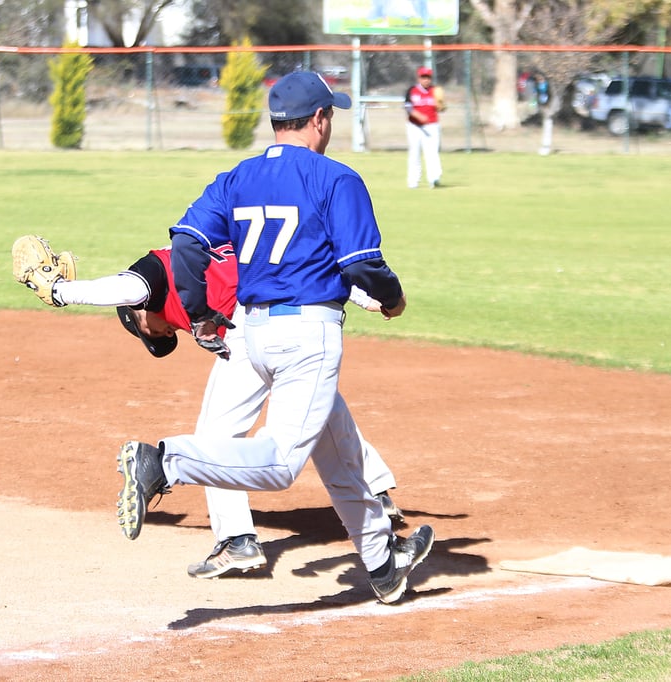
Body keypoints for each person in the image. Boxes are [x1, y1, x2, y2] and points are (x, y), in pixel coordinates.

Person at [115, 71, 434, 604]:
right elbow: (362, 264)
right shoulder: (336, 178)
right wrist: (394, 298)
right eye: (331, 115)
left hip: (253, 332)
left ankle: (383, 561)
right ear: (319, 119)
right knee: (282, 462)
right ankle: (163, 462)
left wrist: (201, 316)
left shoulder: (237, 176)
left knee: (335, 451)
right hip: (308, 335)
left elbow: (188, 246)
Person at [11, 234, 406, 580]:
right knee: (318, 409)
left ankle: (236, 540)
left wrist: (61, 290)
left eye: (147, 329)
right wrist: (362, 295)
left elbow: (125, 290)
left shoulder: (157, 268)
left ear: (137, 315)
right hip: (289, 319)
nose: (159, 333)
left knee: (216, 437)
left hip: (250, 329)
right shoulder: (211, 255)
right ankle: (374, 493)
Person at [405, 66, 445, 189]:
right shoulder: (412, 90)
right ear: (419, 78)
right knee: (414, 153)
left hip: (432, 125)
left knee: (432, 153)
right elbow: (407, 107)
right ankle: (413, 180)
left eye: (428, 77)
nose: (426, 80)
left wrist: (441, 105)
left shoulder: (435, 91)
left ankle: (433, 178)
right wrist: (418, 116)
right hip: (415, 126)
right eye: (423, 77)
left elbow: (442, 109)